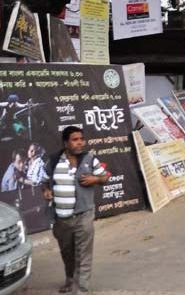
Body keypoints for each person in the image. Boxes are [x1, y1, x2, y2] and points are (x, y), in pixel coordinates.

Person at [43, 126, 111, 294]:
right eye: (74, 139)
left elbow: (105, 178)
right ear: (66, 142)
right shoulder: (53, 161)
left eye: (81, 139)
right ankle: (70, 280)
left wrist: (95, 179)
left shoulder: (90, 159)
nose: (79, 142)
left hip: (84, 216)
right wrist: (46, 190)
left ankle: (80, 290)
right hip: (61, 218)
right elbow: (44, 181)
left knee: (83, 255)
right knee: (68, 253)